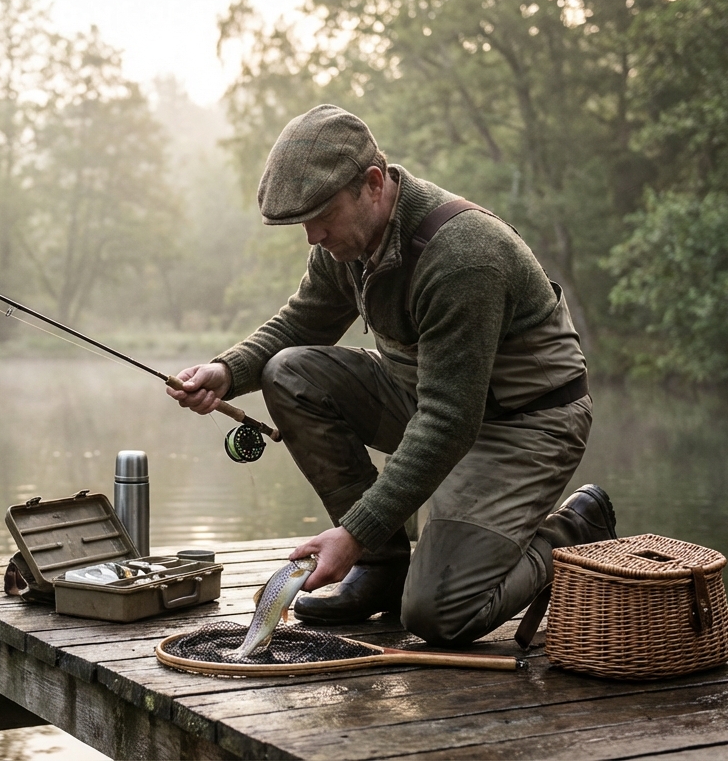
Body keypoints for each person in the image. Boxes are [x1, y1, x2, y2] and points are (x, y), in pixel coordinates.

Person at [167, 105, 617, 647]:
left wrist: (353, 532)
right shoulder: (346, 241)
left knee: (438, 615)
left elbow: (448, 422)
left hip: (524, 423)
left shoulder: (462, 256)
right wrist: (227, 369)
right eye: (303, 222)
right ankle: (383, 569)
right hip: (430, 397)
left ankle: (572, 531)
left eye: (321, 216)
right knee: (288, 373)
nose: (312, 235)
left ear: (374, 184)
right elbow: (305, 320)